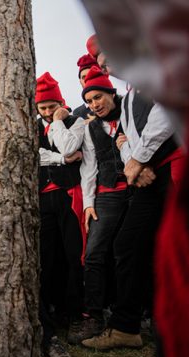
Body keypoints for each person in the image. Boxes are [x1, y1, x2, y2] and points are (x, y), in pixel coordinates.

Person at [82, 50, 181, 351]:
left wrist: (137, 158)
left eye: (108, 57)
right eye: (100, 65)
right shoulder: (130, 98)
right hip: (146, 180)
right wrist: (135, 165)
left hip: (177, 168)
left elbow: (167, 114)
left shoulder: (159, 70)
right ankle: (126, 327)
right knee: (127, 245)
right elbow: (123, 140)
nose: (106, 66)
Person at [35, 72, 85, 357]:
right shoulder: (31, 127)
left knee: (73, 254)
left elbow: (70, 146)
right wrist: (60, 159)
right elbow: (34, 154)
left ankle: (75, 313)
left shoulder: (74, 123)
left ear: (61, 103)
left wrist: (57, 124)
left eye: (52, 106)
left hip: (69, 196)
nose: (46, 112)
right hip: (42, 199)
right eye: (42, 107)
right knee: (46, 256)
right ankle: (51, 312)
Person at [78, 66, 129, 341]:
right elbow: (89, 166)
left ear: (111, 93)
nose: (94, 105)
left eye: (98, 97)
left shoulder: (131, 114)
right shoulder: (91, 128)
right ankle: (93, 315)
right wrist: (89, 203)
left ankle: (135, 315)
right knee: (95, 253)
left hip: (137, 191)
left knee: (130, 253)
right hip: (107, 193)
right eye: (89, 101)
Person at [73, 54, 99, 119]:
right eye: (84, 77)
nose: (88, 79)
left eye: (91, 75)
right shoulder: (76, 113)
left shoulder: (121, 103)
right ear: (80, 81)